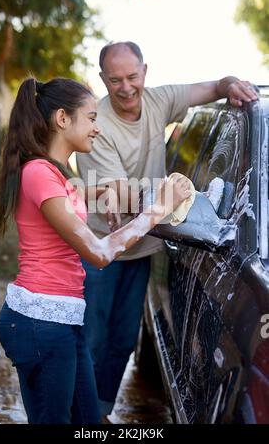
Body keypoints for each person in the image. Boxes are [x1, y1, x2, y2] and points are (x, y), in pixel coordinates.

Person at [0, 76, 193, 425]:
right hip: (41, 324)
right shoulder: (39, 173)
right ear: (62, 119)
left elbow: (72, 195)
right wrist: (157, 210)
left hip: (63, 321)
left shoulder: (56, 171)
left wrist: (102, 194)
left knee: (89, 420)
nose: (97, 128)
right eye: (92, 117)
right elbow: (99, 252)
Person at [76, 41, 259, 420]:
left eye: (132, 77)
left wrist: (230, 85)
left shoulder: (158, 101)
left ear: (145, 71)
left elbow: (210, 88)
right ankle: (81, 416)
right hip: (102, 250)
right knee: (90, 341)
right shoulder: (96, 125)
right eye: (115, 80)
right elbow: (115, 195)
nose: (125, 87)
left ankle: (101, 413)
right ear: (102, 80)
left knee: (123, 341)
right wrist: (174, 195)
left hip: (144, 248)